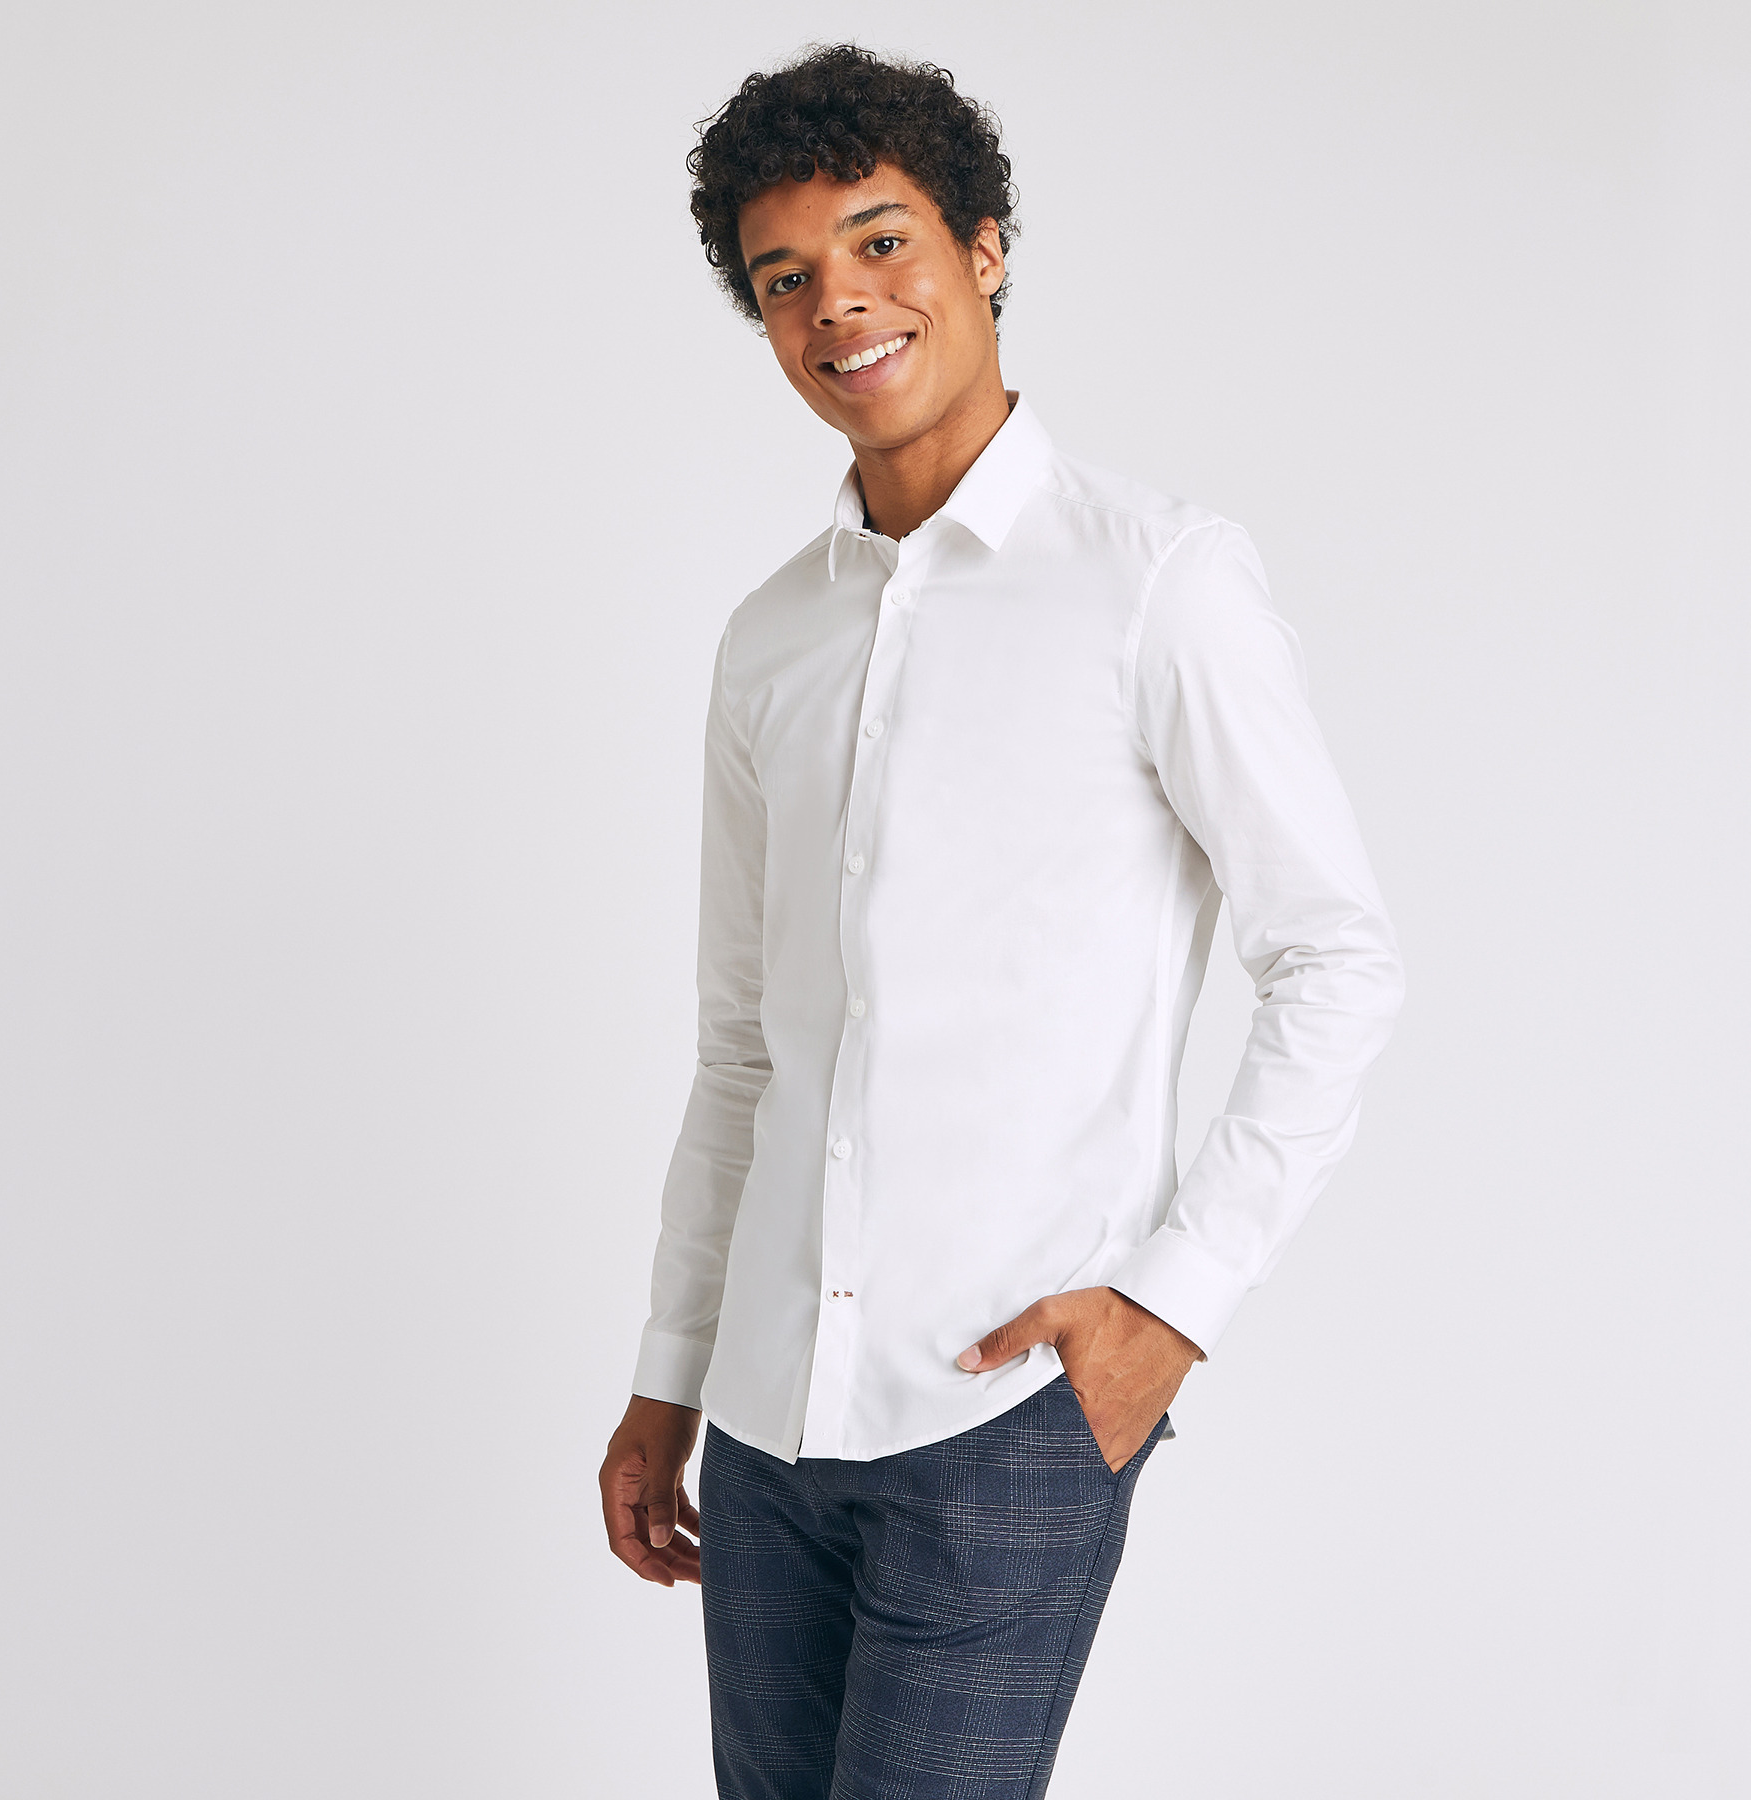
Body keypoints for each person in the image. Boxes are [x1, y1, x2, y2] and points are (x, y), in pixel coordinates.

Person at [598, 43, 1404, 1800]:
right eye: (785, 278)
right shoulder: (770, 639)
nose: (838, 304)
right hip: (767, 1421)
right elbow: (744, 1049)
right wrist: (670, 1375)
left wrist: (1168, 1312)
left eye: (881, 244)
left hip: (1006, 1417)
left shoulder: (1158, 580)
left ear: (984, 248)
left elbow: (1335, 960)